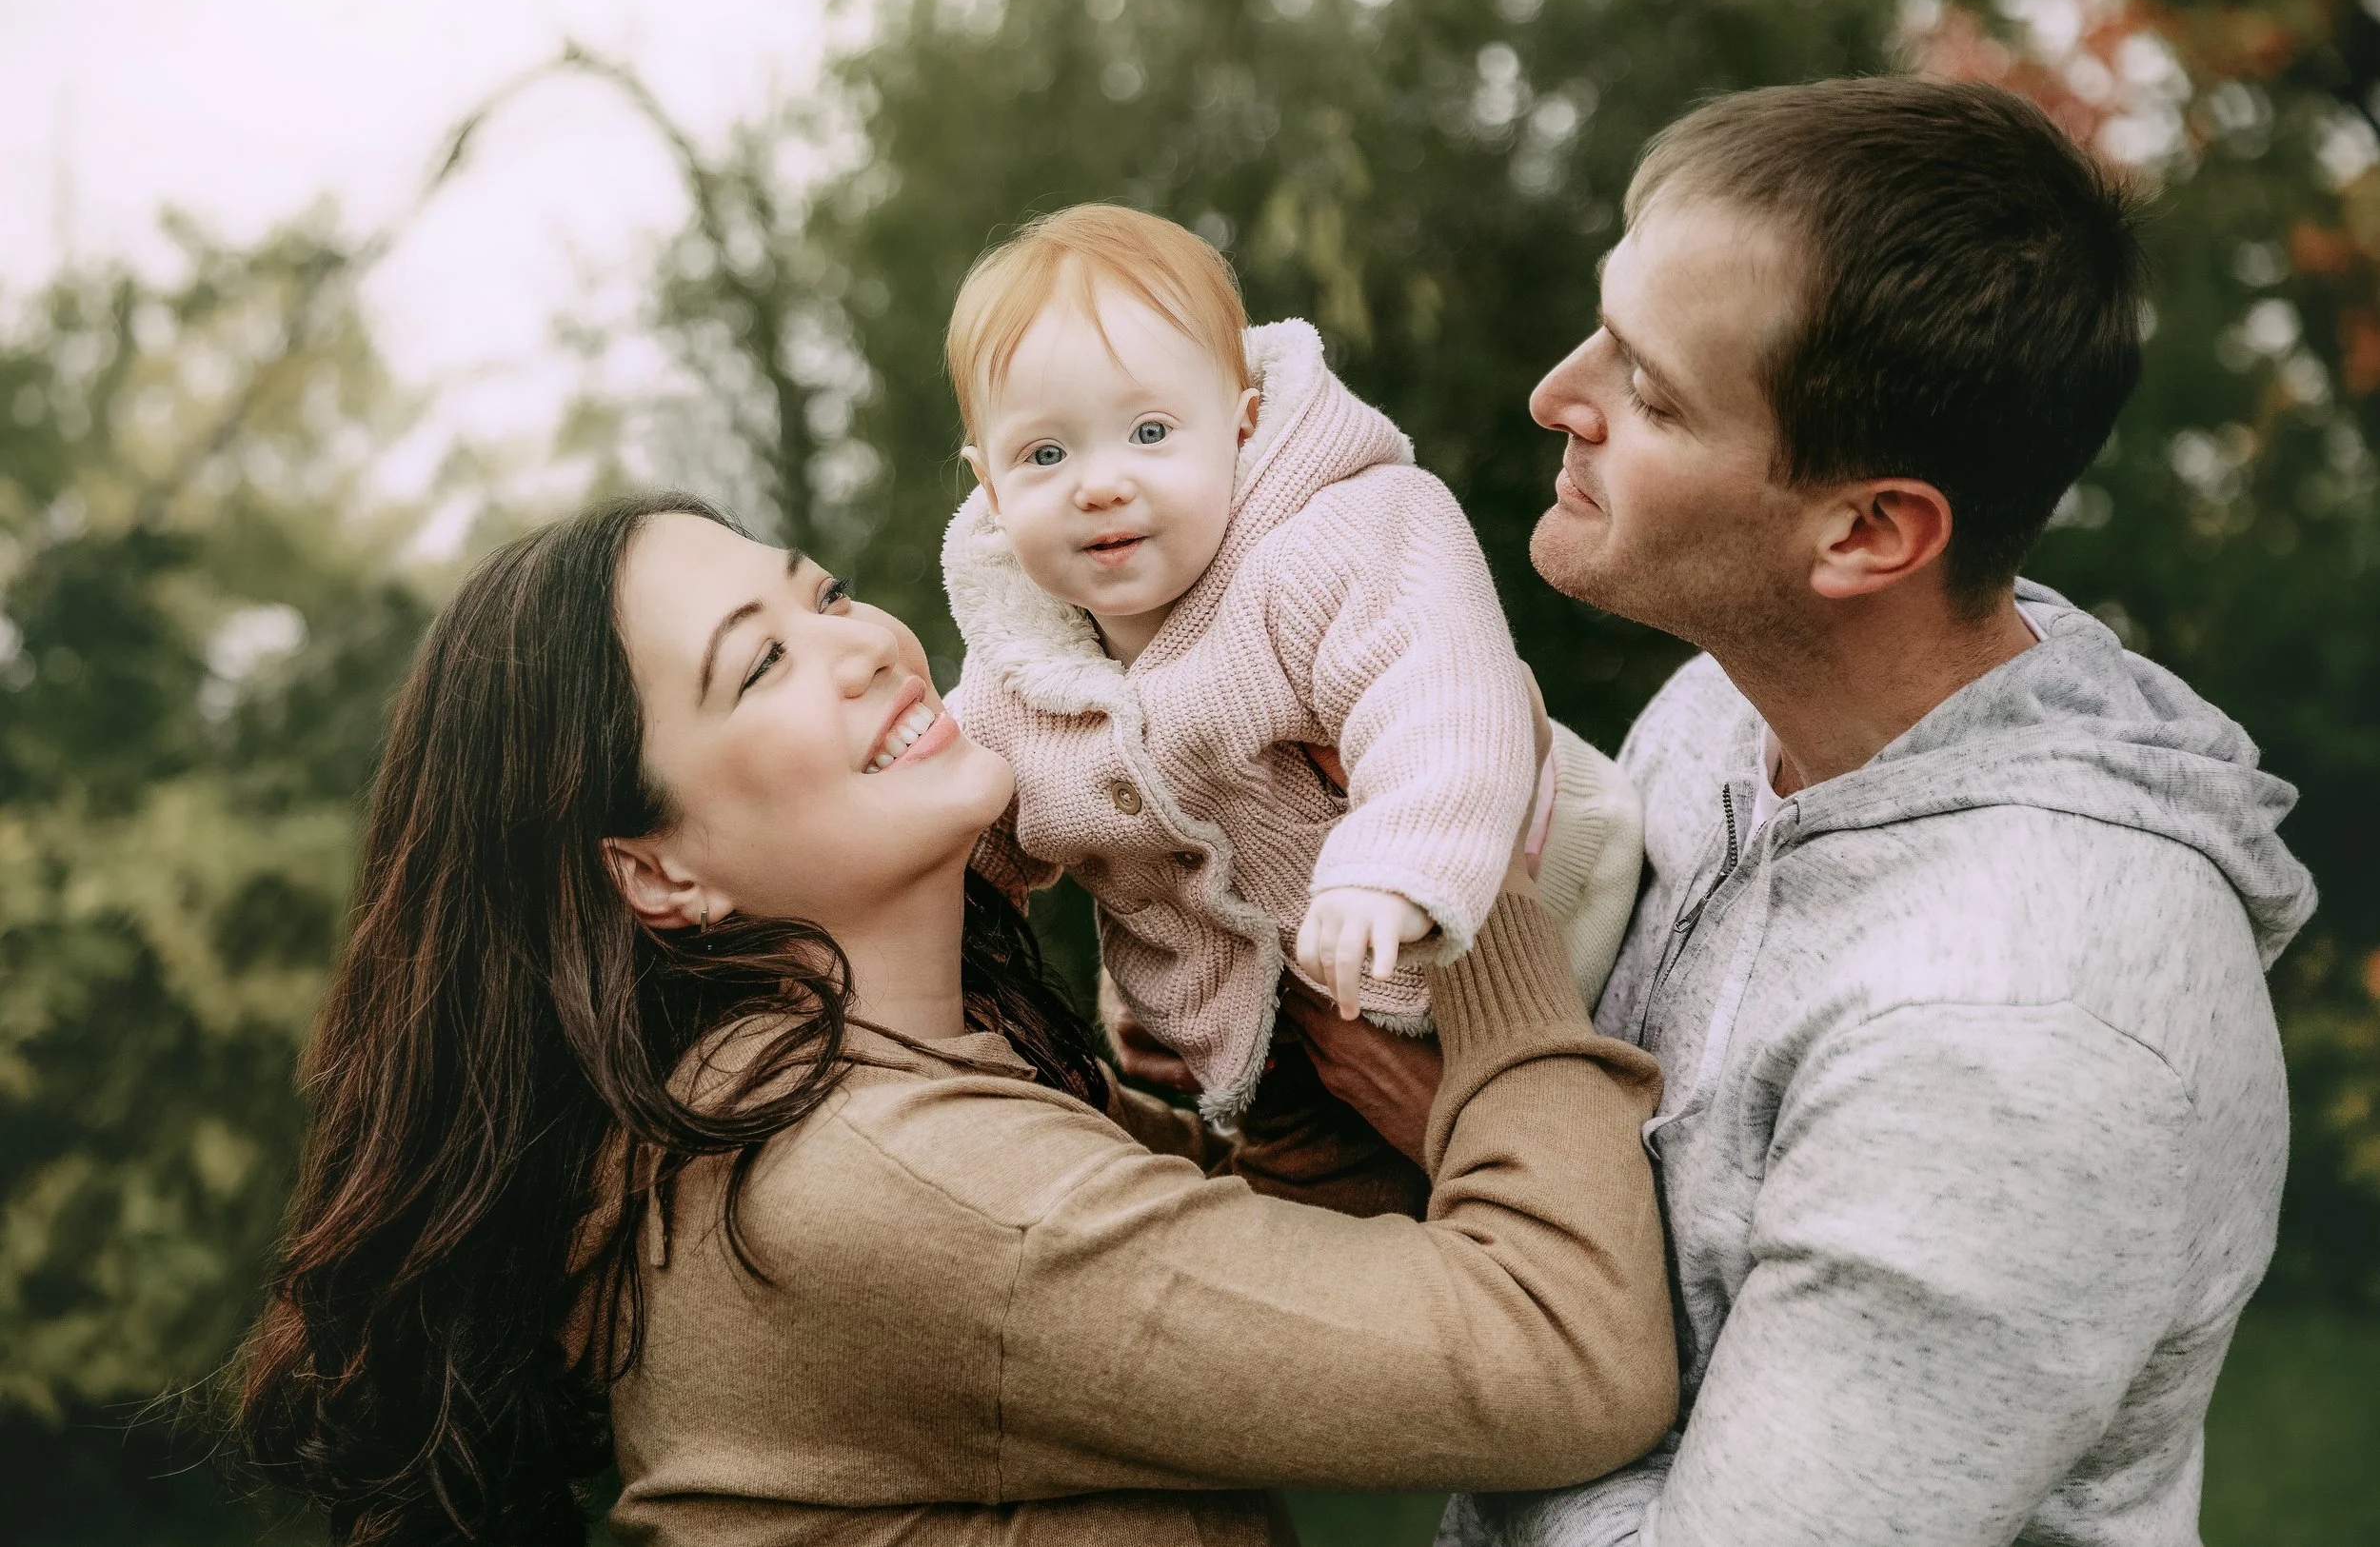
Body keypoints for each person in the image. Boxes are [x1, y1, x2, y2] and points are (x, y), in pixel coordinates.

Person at [230, 491, 1678, 1547]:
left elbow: (1326, 1274)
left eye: (827, 593)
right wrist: (1458, 865)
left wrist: (1277, 1057)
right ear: (656, 869)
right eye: (760, 664)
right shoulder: (885, 1181)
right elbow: (1560, 1353)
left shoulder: (815, 1097)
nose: (861, 644)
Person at [1421, 76, 2320, 1547]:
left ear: (1869, 532)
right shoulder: (1731, 707)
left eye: (1648, 392)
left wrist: (1499, 1209)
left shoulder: (2018, 1032)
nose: (1555, 396)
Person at [942, 203, 1641, 1123]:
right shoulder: (1014, 676)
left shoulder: (1336, 536)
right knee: (1325, 1239)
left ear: (1241, 426)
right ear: (990, 488)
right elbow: (955, 845)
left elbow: (1438, 691)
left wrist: (1388, 868)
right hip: (1287, 1052)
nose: (1099, 481)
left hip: (1541, 915)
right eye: (1044, 452)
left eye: (1150, 432)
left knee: (1568, 1149)